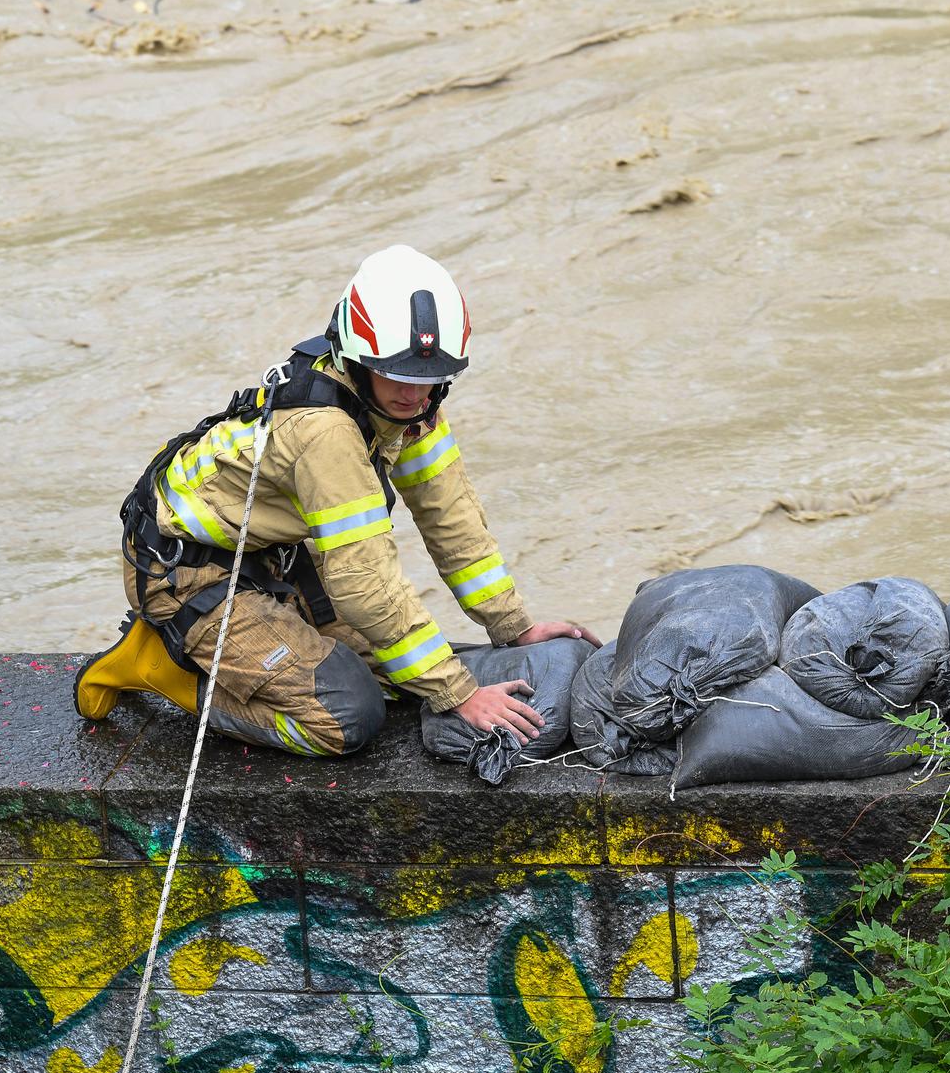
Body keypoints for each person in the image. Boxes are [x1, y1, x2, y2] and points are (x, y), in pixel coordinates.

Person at [74, 245, 593, 756]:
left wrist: (514, 625)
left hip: (278, 560)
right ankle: (161, 668)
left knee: (401, 681)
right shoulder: (324, 432)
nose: (414, 394)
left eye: (429, 379)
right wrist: (458, 693)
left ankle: (263, 639)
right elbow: (364, 581)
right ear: (357, 358)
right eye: (398, 374)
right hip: (189, 576)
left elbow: (451, 522)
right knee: (349, 715)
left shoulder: (411, 408)